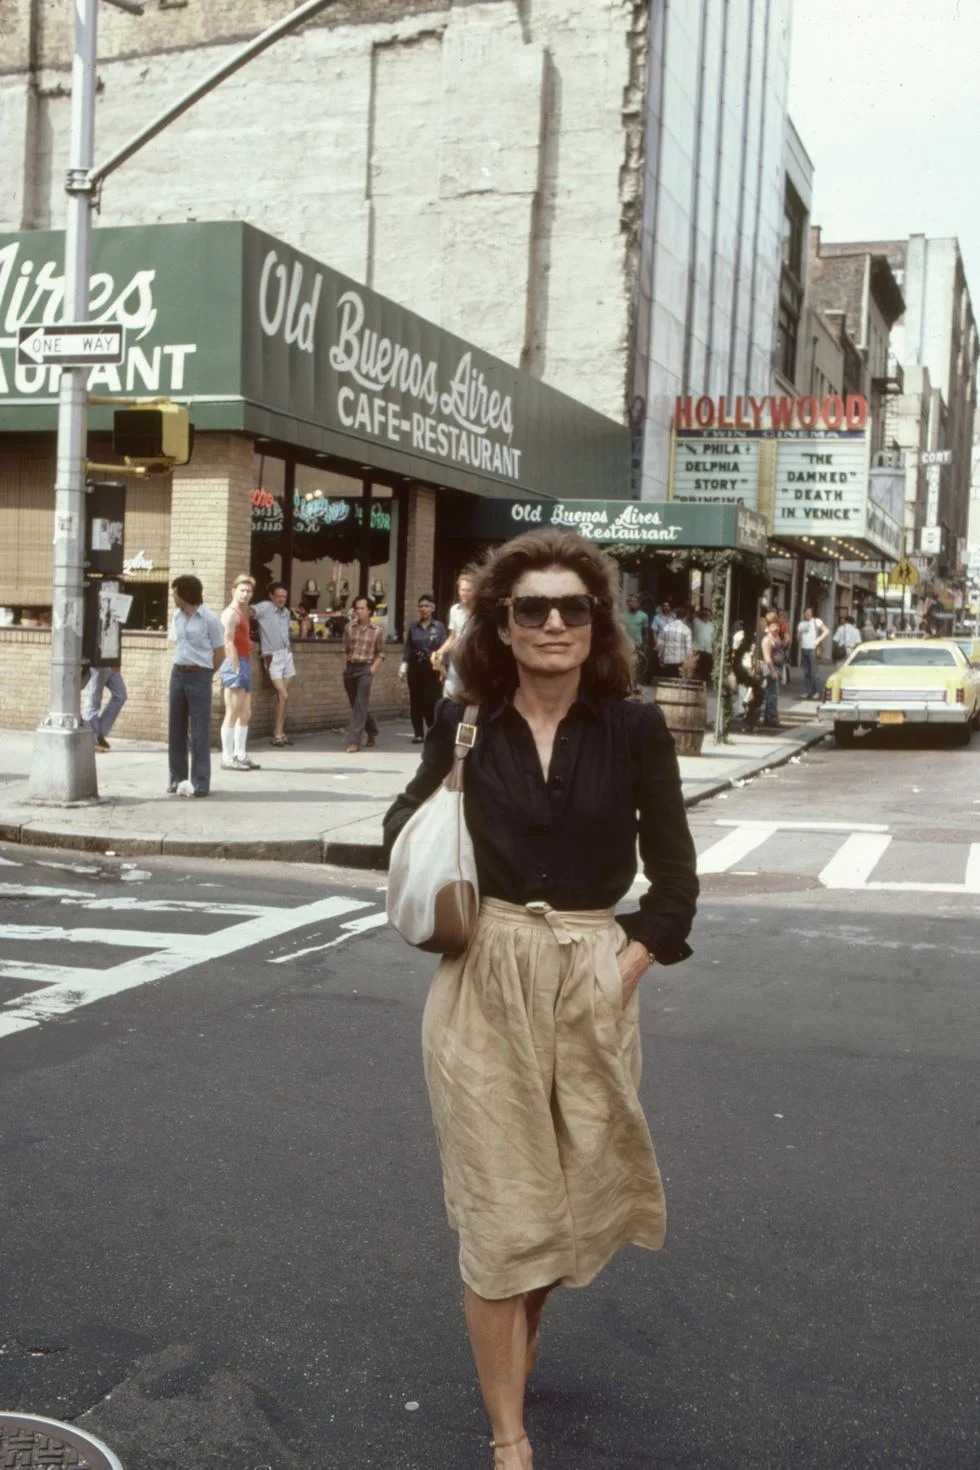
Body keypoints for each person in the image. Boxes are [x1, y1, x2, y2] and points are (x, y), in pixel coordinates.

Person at [383, 529, 699, 1470]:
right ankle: (510, 1439)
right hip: (484, 980)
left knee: (561, 1212)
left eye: (572, 607)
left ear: (596, 622)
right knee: (501, 1216)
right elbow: (401, 827)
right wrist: (446, 805)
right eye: (532, 609)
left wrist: (621, 968)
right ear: (504, 626)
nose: (554, 623)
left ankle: (516, 1344)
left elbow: (675, 883)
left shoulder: (635, 727)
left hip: (592, 979)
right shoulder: (464, 721)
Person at [167, 575, 225, 797]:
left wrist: (208, 673)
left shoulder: (209, 619)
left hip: (200, 674)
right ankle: (176, 779)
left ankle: (200, 783)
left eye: (175, 592)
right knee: (176, 728)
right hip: (178, 673)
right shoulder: (176, 617)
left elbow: (220, 652)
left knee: (200, 730)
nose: (173, 596)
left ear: (185, 594)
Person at [218, 574, 260, 772]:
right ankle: (227, 757)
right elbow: (227, 642)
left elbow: (239, 640)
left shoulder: (242, 614)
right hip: (235, 664)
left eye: (249, 591)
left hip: (244, 662)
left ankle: (240, 754)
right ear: (233, 591)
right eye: (242, 590)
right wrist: (235, 666)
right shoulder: (230, 614)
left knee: (245, 712)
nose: (245, 594)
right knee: (232, 712)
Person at [251, 581, 296, 747]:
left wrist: (290, 651)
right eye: (278, 596)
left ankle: (280, 733)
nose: (281, 599)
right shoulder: (265, 607)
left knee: (282, 698)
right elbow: (248, 611)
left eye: (284, 596)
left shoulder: (286, 613)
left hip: (286, 655)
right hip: (272, 656)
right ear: (271, 596)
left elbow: (286, 634)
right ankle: (277, 733)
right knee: (283, 695)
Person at [399, 594, 447, 743]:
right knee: (416, 700)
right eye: (420, 606)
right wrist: (404, 663)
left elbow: (444, 647)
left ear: (433, 608)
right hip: (416, 668)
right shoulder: (414, 627)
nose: (423, 609)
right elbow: (409, 646)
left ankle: (433, 729)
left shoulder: (439, 627)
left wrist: (443, 667)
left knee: (431, 700)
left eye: (426, 606)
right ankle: (418, 733)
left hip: (433, 668)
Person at [342, 594, 385, 753]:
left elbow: (381, 653)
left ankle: (354, 741)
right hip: (350, 669)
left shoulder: (377, 631)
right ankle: (372, 729)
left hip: (365, 670)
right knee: (356, 705)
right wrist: (344, 668)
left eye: (362, 608)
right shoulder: (349, 627)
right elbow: (344, 649)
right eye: (356, 608)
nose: (358, 611)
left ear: (369, 611)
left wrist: (372, 670)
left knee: (360, 704)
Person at [433, 570, 476, 698]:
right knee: (449, 695)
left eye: (469, 590)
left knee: (472, 699)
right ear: (458, 590)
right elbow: (453, 637)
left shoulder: (481, 612)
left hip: (475, 662)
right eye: (463, 590)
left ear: (475, 591)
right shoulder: (454, 610)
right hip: (456, 661)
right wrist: (440, 652)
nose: (465, 593)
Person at [84, 662, 127, 752]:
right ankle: (91, 740)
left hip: (110, 663)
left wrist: (117, 661)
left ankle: (100, 733)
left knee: (121, 696)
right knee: (94, 701)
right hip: (97, 665)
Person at [796, 605, 829, 699]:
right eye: (806, 612)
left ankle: (817, 691)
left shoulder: (816, 621)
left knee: (814, 672)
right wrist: (800, 632)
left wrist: (818, 640)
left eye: (809, 612)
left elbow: (826, 631)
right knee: (806, 672)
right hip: (804, 648)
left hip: (813, 648)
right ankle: (807, 691)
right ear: (804, 614)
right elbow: (798, 638)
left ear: (812, 613)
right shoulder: (801, 623)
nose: (808, 614)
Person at [761, 612, 784, 726]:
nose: (776, 628)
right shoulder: (767, 640)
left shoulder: (777, 637)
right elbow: (767, 657)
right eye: (773, 626)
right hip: (771, 668)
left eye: (777, 626)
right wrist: (773, 671)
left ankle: (770, 717)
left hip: (778, 667)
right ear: (768, 627)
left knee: (774, 694)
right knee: (772, 694)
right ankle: (771, 718)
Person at [658, 603, 693, 679]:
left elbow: (662, 644)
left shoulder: (666, 627)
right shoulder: (686, 630)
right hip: (680, 661)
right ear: (685, 617)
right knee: (678, 685)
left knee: (668, 682)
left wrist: (660, 657)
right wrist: (690, 662)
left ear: (676, 617)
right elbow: (689, 649)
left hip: (668, 660)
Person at [623, 593, 651, 686]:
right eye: (630, 601)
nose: (632, 603)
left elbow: (645, 633)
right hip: (625, 646)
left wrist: (645, 647)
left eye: (634, 601)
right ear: (627, 603)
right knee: (625, 667)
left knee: (636, 668)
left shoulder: (643, 616)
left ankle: (634, 687)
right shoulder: (622, 616)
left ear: (638, 603)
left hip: (637, 646)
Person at [650, 598, 673, 675]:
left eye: (668, 606)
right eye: (664, 606)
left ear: (670, 607)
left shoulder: (673, 618)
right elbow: (654, 631)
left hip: (670, 642)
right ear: (662, 607)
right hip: (660, 641)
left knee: (668, 661)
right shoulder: (657, 617)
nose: (666, 608)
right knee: (657, 660)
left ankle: (667, 678)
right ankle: (653, 679)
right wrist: (656, 643)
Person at [692, 604, 715, 683]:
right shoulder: (696, 622)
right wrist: (702, 611)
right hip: (698, 649)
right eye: (704, 614)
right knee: (697, 668)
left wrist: (713, 649)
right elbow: (694, 615)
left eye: (707, 614)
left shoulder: (711, 625)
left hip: (708, 650)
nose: (706, 615)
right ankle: (696, 684)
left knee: (706, 669)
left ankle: (704, 684)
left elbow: (713, 638)